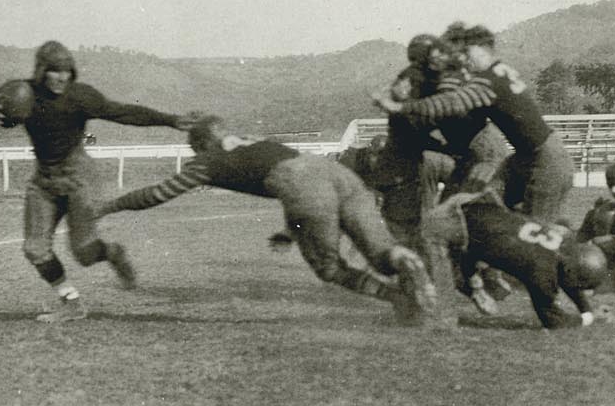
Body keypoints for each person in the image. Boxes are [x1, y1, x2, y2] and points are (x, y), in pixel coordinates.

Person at [95, 116, 437, 322]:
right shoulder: (256, 142)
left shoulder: (206, 161)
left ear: (199, 145)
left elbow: (156, 194)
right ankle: (408, 264)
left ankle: (398, 298)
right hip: (334, 173)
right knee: (380, 253)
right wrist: (292, 230)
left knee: (329, 268)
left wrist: (109, 206)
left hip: (304, 186)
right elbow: (296, 180)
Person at [0, 41, 197, 322]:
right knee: (34, 249)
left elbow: (123, 112)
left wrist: (171, 120)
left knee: (85, 254)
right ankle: (71, 303)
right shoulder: (21, 92)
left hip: (80, 178)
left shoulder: (80, 96)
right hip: (44, 181)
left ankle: (112, 252)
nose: (61, 77)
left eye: (66, 71)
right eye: (54, 71)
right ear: (41, 71)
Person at [373, 23, 571, 221]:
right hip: (525, 157)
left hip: (544, 160)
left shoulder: (487, 81)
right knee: (472, 207)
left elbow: (450, 104)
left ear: (479, 49)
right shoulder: (499, 71)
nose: (463, 59)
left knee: (535, 234)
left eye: (466, 52)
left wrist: (400, 107)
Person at [420, 192, 607, 329]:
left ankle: (473, 287)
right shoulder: (542, 273)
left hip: (468, 203)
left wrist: (586, 309)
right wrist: (588, 319)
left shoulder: (562, 246)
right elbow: (553, 320)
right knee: (445, 315)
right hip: (447, 226)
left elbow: (568, 270)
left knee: (483, 264)